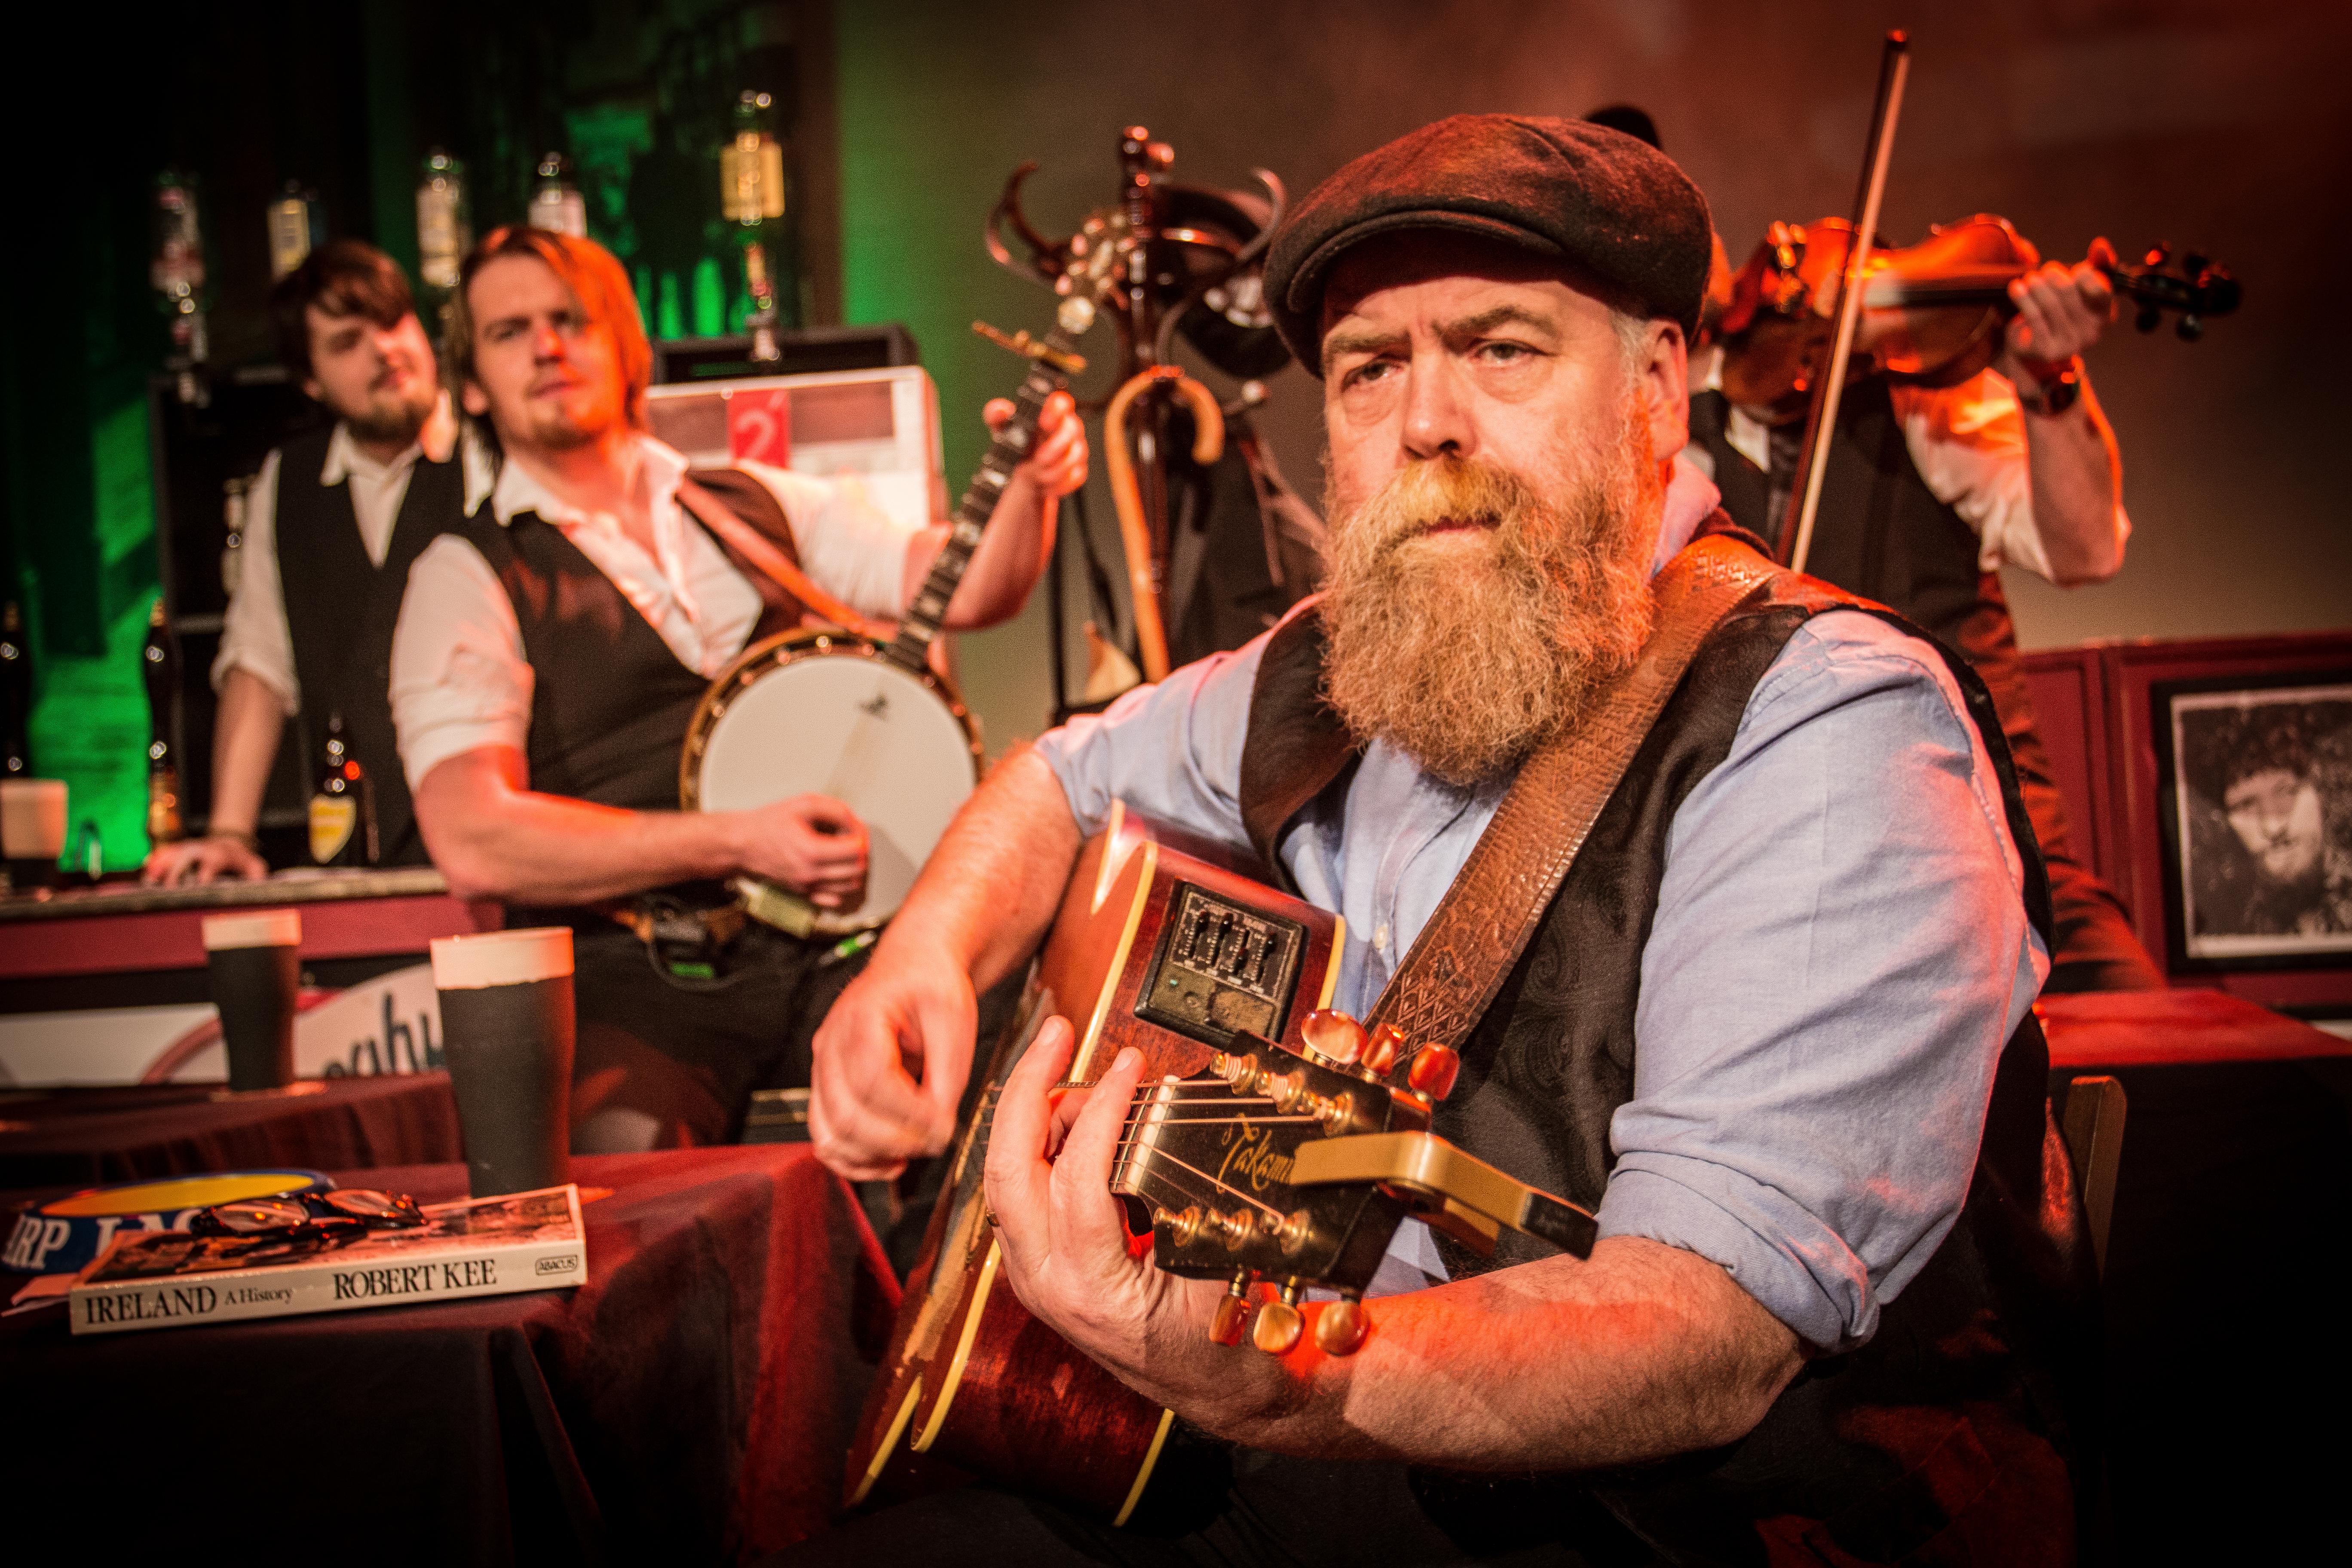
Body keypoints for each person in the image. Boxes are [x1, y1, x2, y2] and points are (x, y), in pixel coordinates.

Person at [795, 116, 2090, 1565]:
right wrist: (921, 953)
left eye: (1503, 349)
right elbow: (1059, 775)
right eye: (1369, 370)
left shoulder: (1821, 723)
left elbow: (1694, 1332)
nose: (1426, 422)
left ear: (1658, 383)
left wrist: (1269, 1372)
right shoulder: (1327, 666)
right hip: (1293, 1455)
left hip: (1658, 1522)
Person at [390, 227, 1086, 1152]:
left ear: (624, 345)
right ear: (472, 381)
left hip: (844, 953)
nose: (548, 347)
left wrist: (1031, 488)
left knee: (1004, 1099)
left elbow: (965, 587)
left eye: (572, 320)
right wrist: (738, 839)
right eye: (510, 332)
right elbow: (473, 837)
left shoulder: (748, 500)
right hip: (641, 981)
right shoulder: (468, 572)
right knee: (639, 1209)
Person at [1689, 211, 2163, 992]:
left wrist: (2050, 382)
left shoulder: (1920, 401)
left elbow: (2085, 550)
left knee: (2153, 1040)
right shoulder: (1670, 430)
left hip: (1994, 854)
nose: (1788, 298)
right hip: (1796, 884)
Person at [144, 239, 464, 883]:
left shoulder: (488, 454)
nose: (385, 351)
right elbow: (260, 663)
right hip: (362, 861)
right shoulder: (287, 482)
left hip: (488, 848)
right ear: (311, 381)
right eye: (348, 343)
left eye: (393, 322)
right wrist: (231, 833)